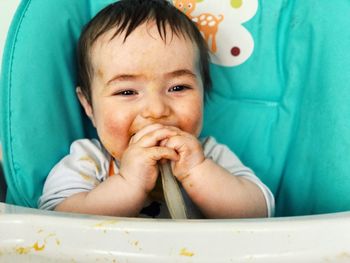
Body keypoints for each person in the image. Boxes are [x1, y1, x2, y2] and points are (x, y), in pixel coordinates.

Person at [38, 0, 274, 219]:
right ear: (88, 105)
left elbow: (261, 210)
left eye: (178, 87)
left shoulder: (210, 156)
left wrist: (198, 171)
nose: (156, 110)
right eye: (127, 92)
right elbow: (57, 219)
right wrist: (129, 182)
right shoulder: (89, 161)